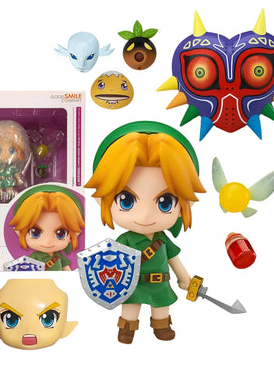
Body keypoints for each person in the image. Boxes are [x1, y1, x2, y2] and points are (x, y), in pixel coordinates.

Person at [85, 121, 206, 343]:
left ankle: (161, 326)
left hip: (160, 283)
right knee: (130, 306)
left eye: (165, 202)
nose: (145, 216)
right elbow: (109, 263)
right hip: (132, 284)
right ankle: (127, 328)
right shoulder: (125, 239)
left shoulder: (163, 240)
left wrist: (185, 279)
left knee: (161, 307)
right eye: (126, 200)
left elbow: (174, 260)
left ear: (185, 204)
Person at [9, 185, 85, 271]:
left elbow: (67, 269)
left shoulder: (58, 256)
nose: (47, 242)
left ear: (73, 234)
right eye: (35, 233)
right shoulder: (35, 256)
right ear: (19, 232)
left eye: (61, 234)